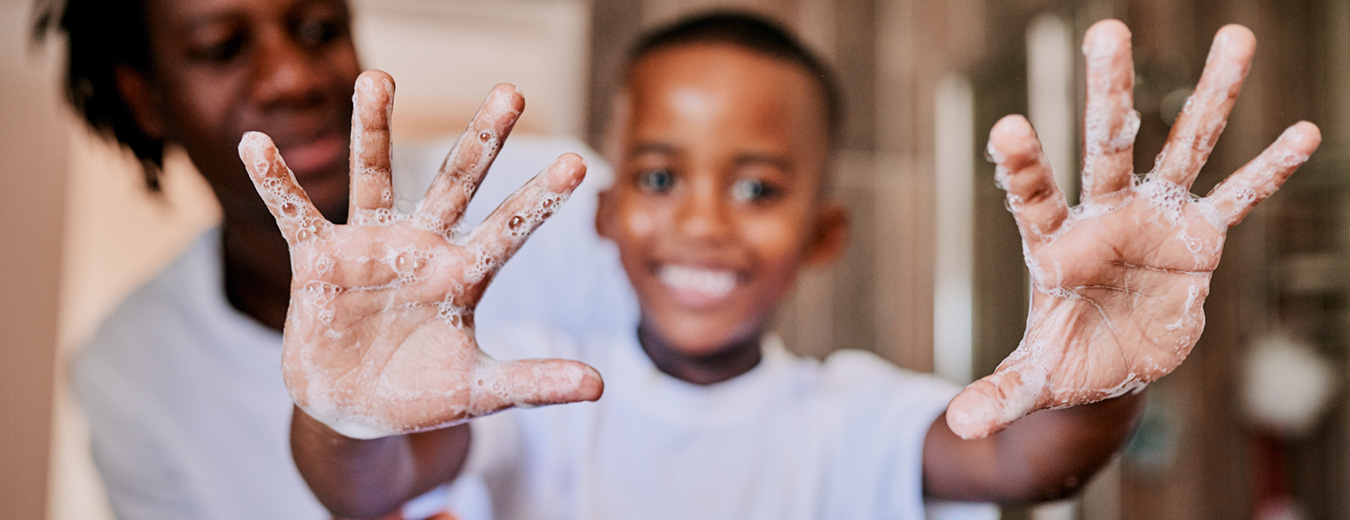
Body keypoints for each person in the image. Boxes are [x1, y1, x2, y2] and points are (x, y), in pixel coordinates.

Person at [262, 11, 1322, 519]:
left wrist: (1106, 384)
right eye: (664, 178)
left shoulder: (849, 418)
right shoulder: (524, 386)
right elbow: (372, 485)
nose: (707, 223)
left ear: (824, 235)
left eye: (760, 187)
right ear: (610, 212)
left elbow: (1022, 464)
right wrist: (350, 412)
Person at [35, 0, 634, 518]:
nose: (292, 77)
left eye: (318, 28)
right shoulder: (128, 372)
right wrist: (350, 426)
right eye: (221, 48)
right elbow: (371, 481)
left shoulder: (542, 200)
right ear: (142, 97)